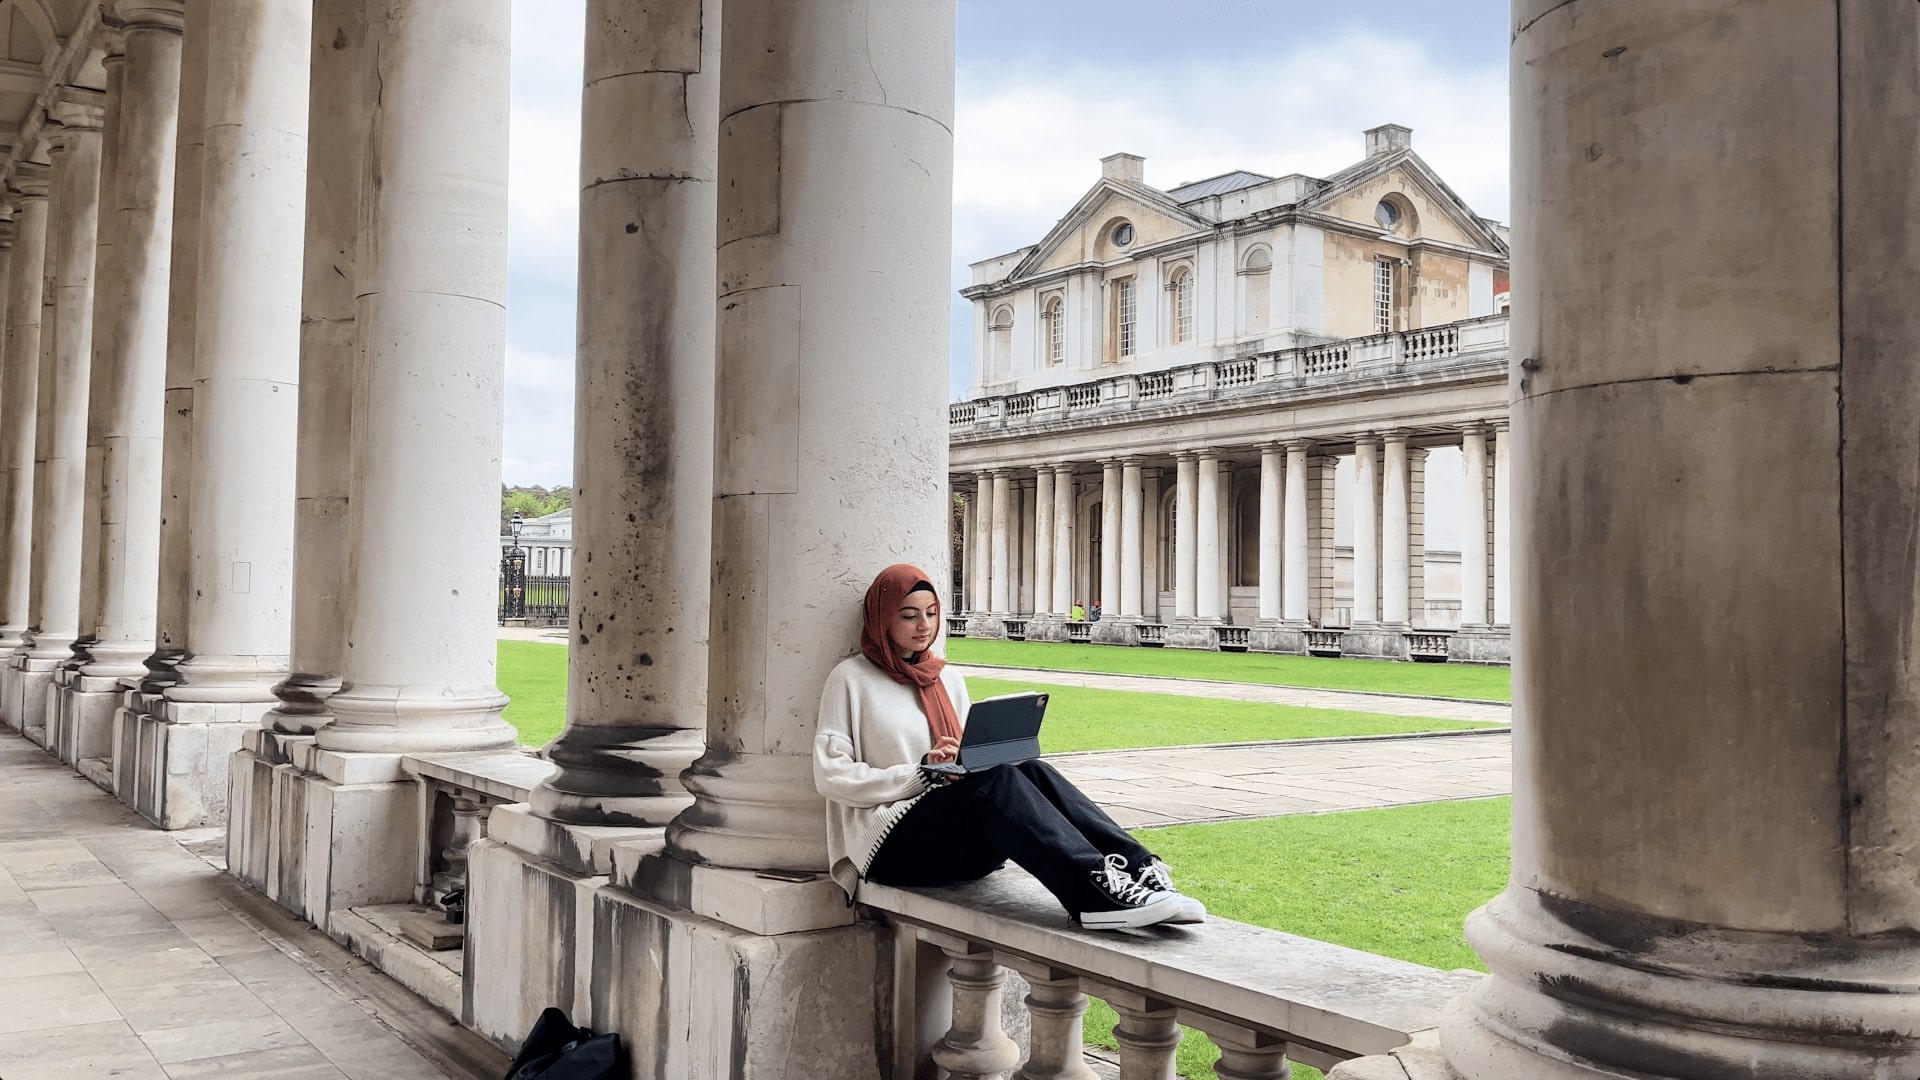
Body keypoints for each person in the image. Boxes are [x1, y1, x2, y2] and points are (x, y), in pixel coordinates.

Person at [813, 564, 1205, 930]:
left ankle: (1142, 872)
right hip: (893, 850)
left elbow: (971, 759)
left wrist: (968, 756)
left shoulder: (947, 678)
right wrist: (920, 772)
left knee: (1029, 769)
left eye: (931, 613)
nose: (924, 626)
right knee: (996, 779)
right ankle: (1093, 894)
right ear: (882, 617)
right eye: (909, 615)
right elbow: (831, 775)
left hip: (957, 841)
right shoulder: (850, 679)